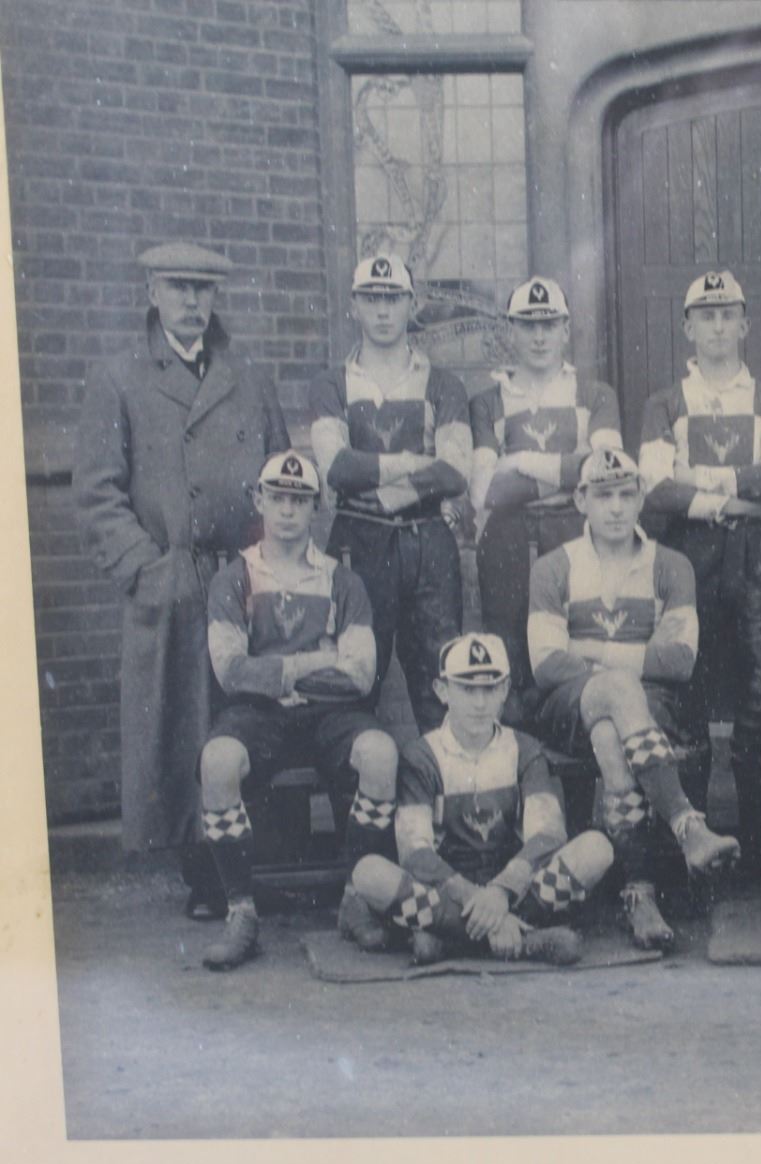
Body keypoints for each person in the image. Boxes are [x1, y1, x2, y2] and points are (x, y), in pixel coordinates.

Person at [74, 240, 290, 920]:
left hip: (245, 577)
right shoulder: (120, 378)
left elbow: (283, 472)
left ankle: (247, 870)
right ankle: (206, 878)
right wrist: (147, 568)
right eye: (178, 287)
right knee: (184, 727)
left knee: (247, 718)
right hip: (176, 583)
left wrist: (275, 562)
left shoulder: (249, 378)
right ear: (153, 294)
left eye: (203, 289)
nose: (192, 301)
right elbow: (98, 493)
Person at [527, 448, 739, 949]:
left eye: (627, 494)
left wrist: (587, 651)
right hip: (569, 705)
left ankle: (638, 892)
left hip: (648, 708)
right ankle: (687, 826)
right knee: (617, 691)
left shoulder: (670, 565)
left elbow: (680, 660)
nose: (617, 508)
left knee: (611, 732)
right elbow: (546, 664)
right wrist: (625, 665)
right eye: (604, 496)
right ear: (581, 500)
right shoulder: (555, 567)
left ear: (642, 497)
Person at [194, 452, 396, 970]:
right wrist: (316, 662)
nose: (287, 510)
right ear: (259, 500)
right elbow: (230, 671)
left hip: (329, 715)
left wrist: (276, 671)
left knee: (380, 753)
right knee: (218, 761)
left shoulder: (341, 581)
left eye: (299, 501)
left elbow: (360, 672)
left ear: (316, 508)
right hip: (258, 714)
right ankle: (241, 912)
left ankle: (356, 900)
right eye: (277, 498)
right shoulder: (235, 578)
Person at [639, 270, 761, 866]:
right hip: (690, 552)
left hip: (756, 554)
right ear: (688, 327)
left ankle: (758, 840)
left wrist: (698, 481)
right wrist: (729, 499)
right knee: (690, 686)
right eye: (706, 316)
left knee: (760, 685)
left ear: (745, 324)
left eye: (728, 314)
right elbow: (657, 487)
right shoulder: (665, 402)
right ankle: (694, 842)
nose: (718, 326)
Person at [346, 633, 614, 967]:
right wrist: (474, 896)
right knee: (368, 873)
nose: (479, 703)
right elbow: (415, 853)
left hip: (513, 891)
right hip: (449, 892)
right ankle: (519, 938)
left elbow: (547, 835)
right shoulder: (422, 756)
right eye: (466, 689)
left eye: (489, 688)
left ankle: (451, 939)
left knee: (597, 848)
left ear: (504, 691)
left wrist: (500, 891)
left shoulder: (524, 749)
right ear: (442, 691)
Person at [307, 254, 470, 732]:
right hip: (359, 541)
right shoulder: (331, 384)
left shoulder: (443, 383)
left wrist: (384, 490)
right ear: (353, 305)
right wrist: (414, 464)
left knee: (441, 680)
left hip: (428, 541)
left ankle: (441, 778)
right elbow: (336, 468)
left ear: (412, 304)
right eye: (371, 298)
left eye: (393, 298)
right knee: (356, 675)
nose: (382, 311)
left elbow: (455, 472)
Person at [468, 275, 623, 715]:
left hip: (572, 528)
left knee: (575, 640)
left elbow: (602, 469)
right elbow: (485, 490)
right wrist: (567, 469)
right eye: (528, 325)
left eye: (549, 324)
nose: (539, 337)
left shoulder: (594, 395)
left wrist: (518, 460)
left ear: (565, 330)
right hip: (507, 536)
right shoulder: (487, 402)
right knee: (509, 647)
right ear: (511, 330)